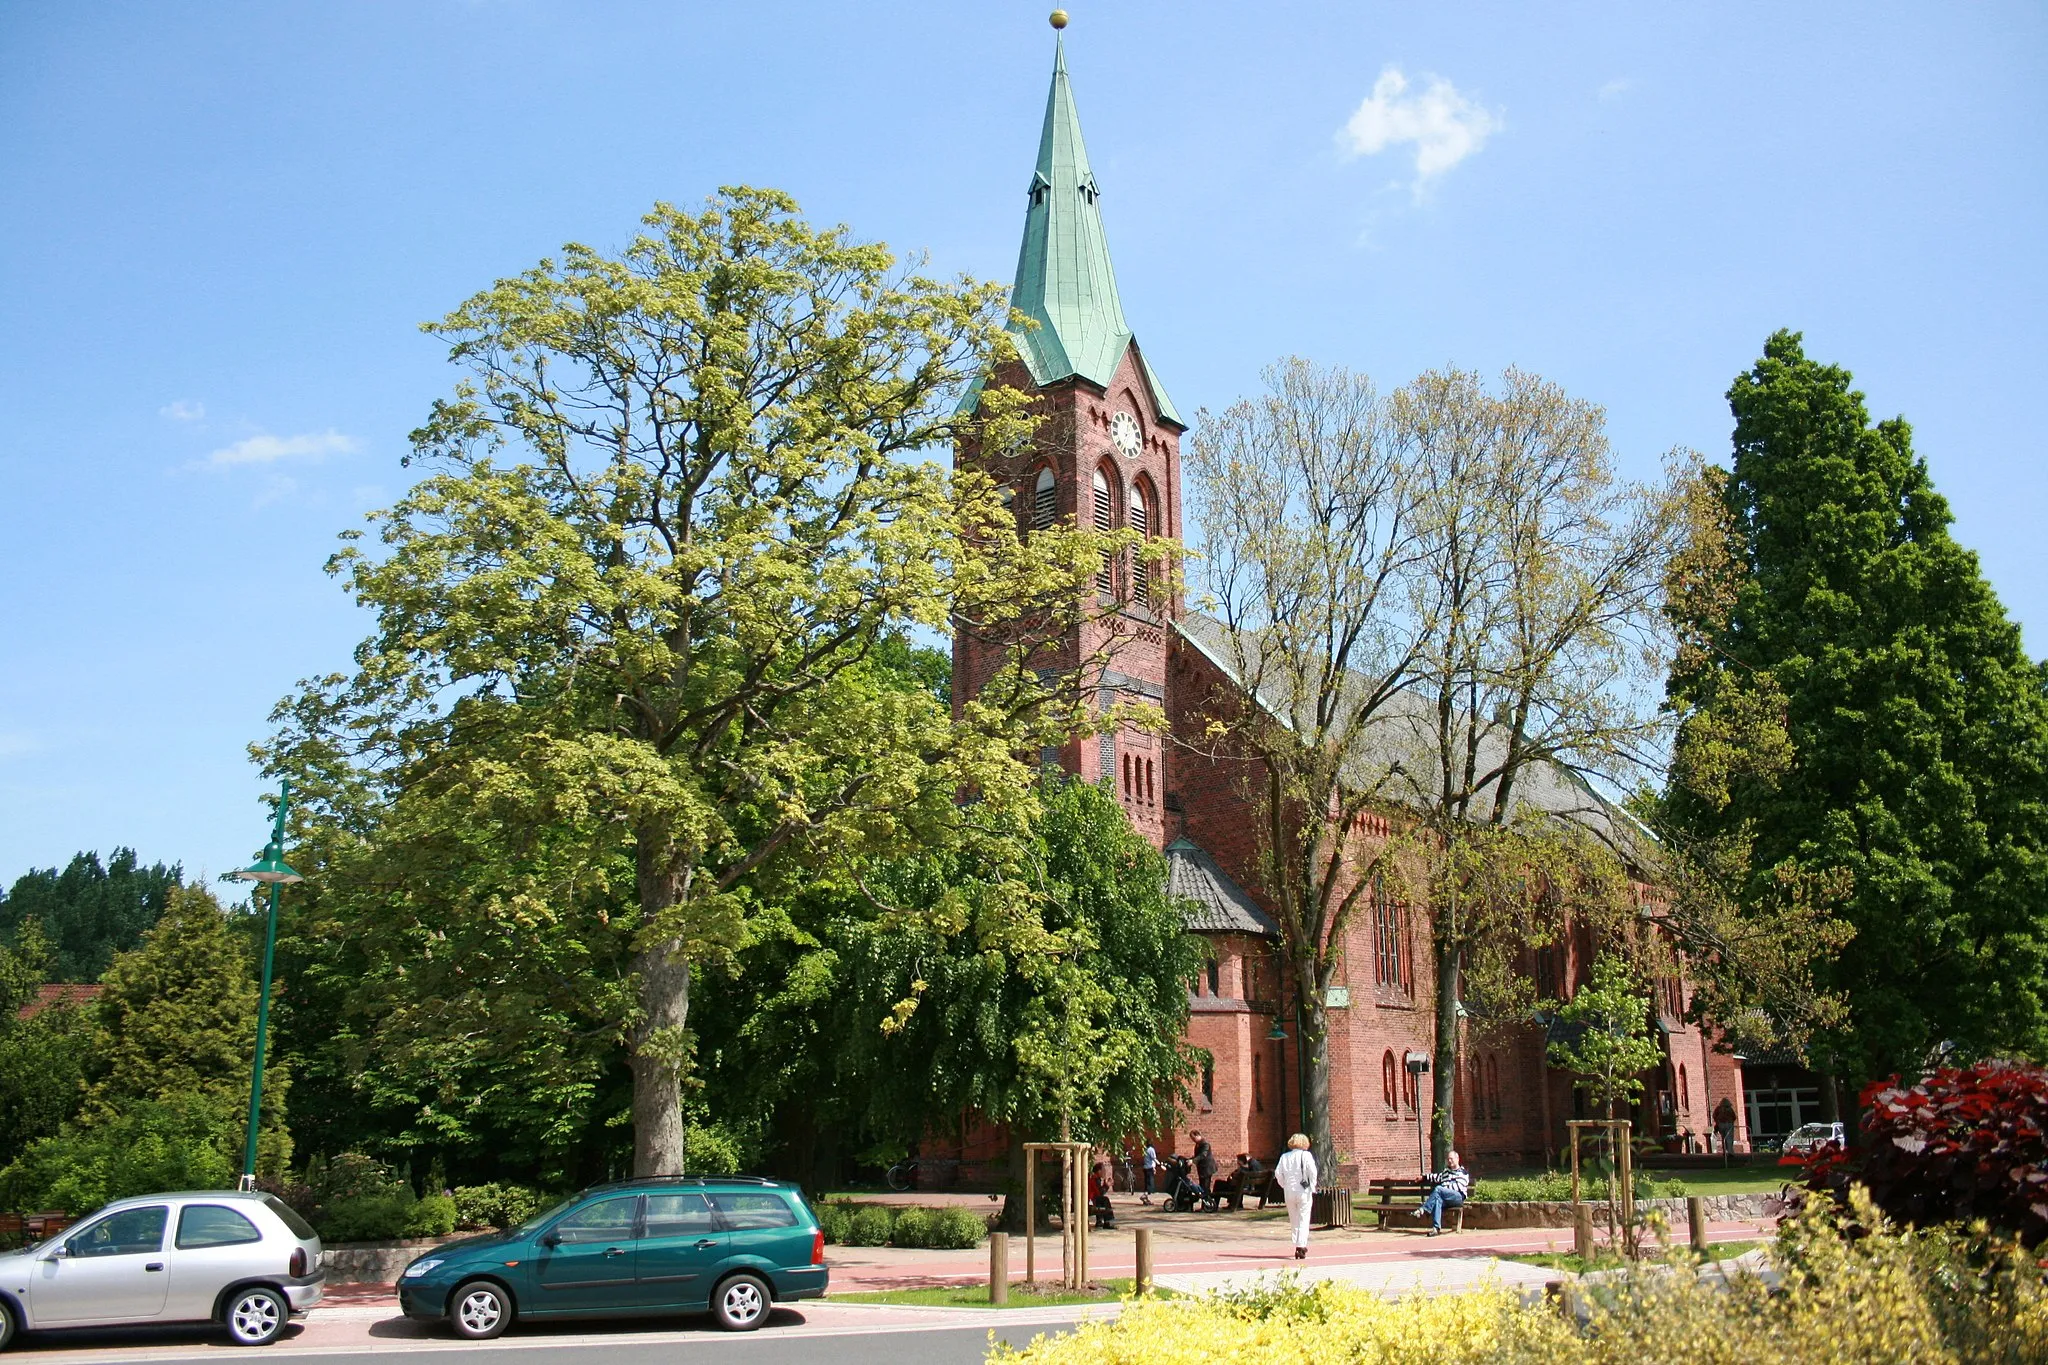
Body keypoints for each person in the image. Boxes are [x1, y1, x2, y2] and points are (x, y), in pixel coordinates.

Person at [1274, 1133, 1318, 1259]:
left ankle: (1296, 1242)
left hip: (1289, 1191)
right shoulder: (1306, 1155)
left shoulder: (1284, 1157)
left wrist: (1284, 1184)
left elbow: (1278, 1173)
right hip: (1303, 1190)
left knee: (1294, 1219)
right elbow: (1313, 1172)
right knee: (1304, 1217)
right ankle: (1301, 1245)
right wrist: (1312, 1186)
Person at [1420, 1151, 1470, 1236]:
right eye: (1448, 1159)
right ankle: (1436, 1229)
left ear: (1457, 1159)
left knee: (1439, 1189)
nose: (1449, 1161)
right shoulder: (1446, 1172)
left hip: (1457, 1198)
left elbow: (1457, 1188)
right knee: (1437, 1200)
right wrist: (1424, 1177)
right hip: (1446, 1199)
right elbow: (1437, 1177)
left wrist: (1444, 1189)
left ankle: (1424, 1208)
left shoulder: (1463, 1173)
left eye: (1451, 1158)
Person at [1192, 1131, 1218, 1204]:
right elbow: (1197, 1155)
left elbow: (1203, 1154)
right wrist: (1190, 1159)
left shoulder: (1205, 1144)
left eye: (1193, 1138)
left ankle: (1207, 1204)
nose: (1193, 1140)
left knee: (1205, 1187)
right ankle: (1205, 1204)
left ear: (1198, 1135)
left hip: (1207, 1168)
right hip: (1202, 1169)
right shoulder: (1198, 1144)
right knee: (1202, 1186)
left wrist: (1193, 1160)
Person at [1140, 1141, 1158, 1205]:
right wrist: (1160, 1164)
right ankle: (1144, 1196)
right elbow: (1153, 1158)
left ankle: (1146, 1200)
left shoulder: (1145, 1149)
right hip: (1149, 1168)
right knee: (1150, 1185)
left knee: (1147, 1183)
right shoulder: (1151, 1149)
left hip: (1145, 1168)